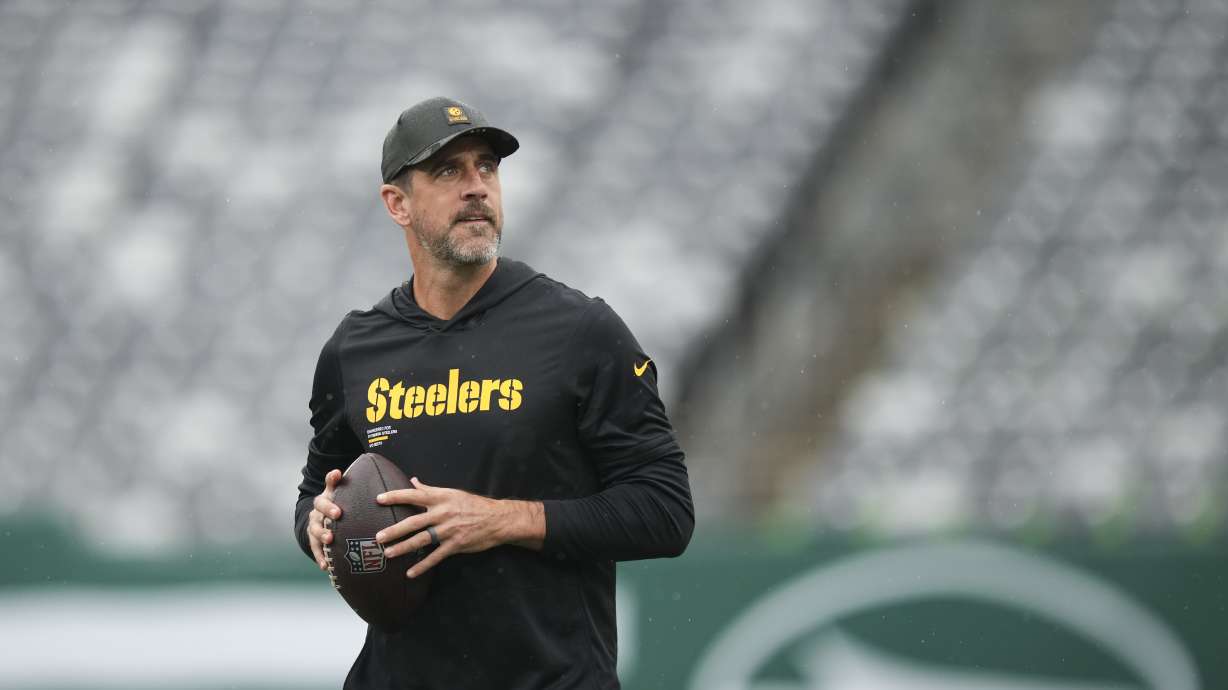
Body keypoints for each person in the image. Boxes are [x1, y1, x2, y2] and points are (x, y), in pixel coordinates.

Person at [293, 96, 695, 690]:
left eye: (487, 166)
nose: (477, 187)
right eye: (449, 171)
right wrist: (319, 526)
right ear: (396, 203)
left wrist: (503, 520)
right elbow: (312, 495)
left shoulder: (579, 331)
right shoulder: (355, 348)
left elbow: (666, 512)